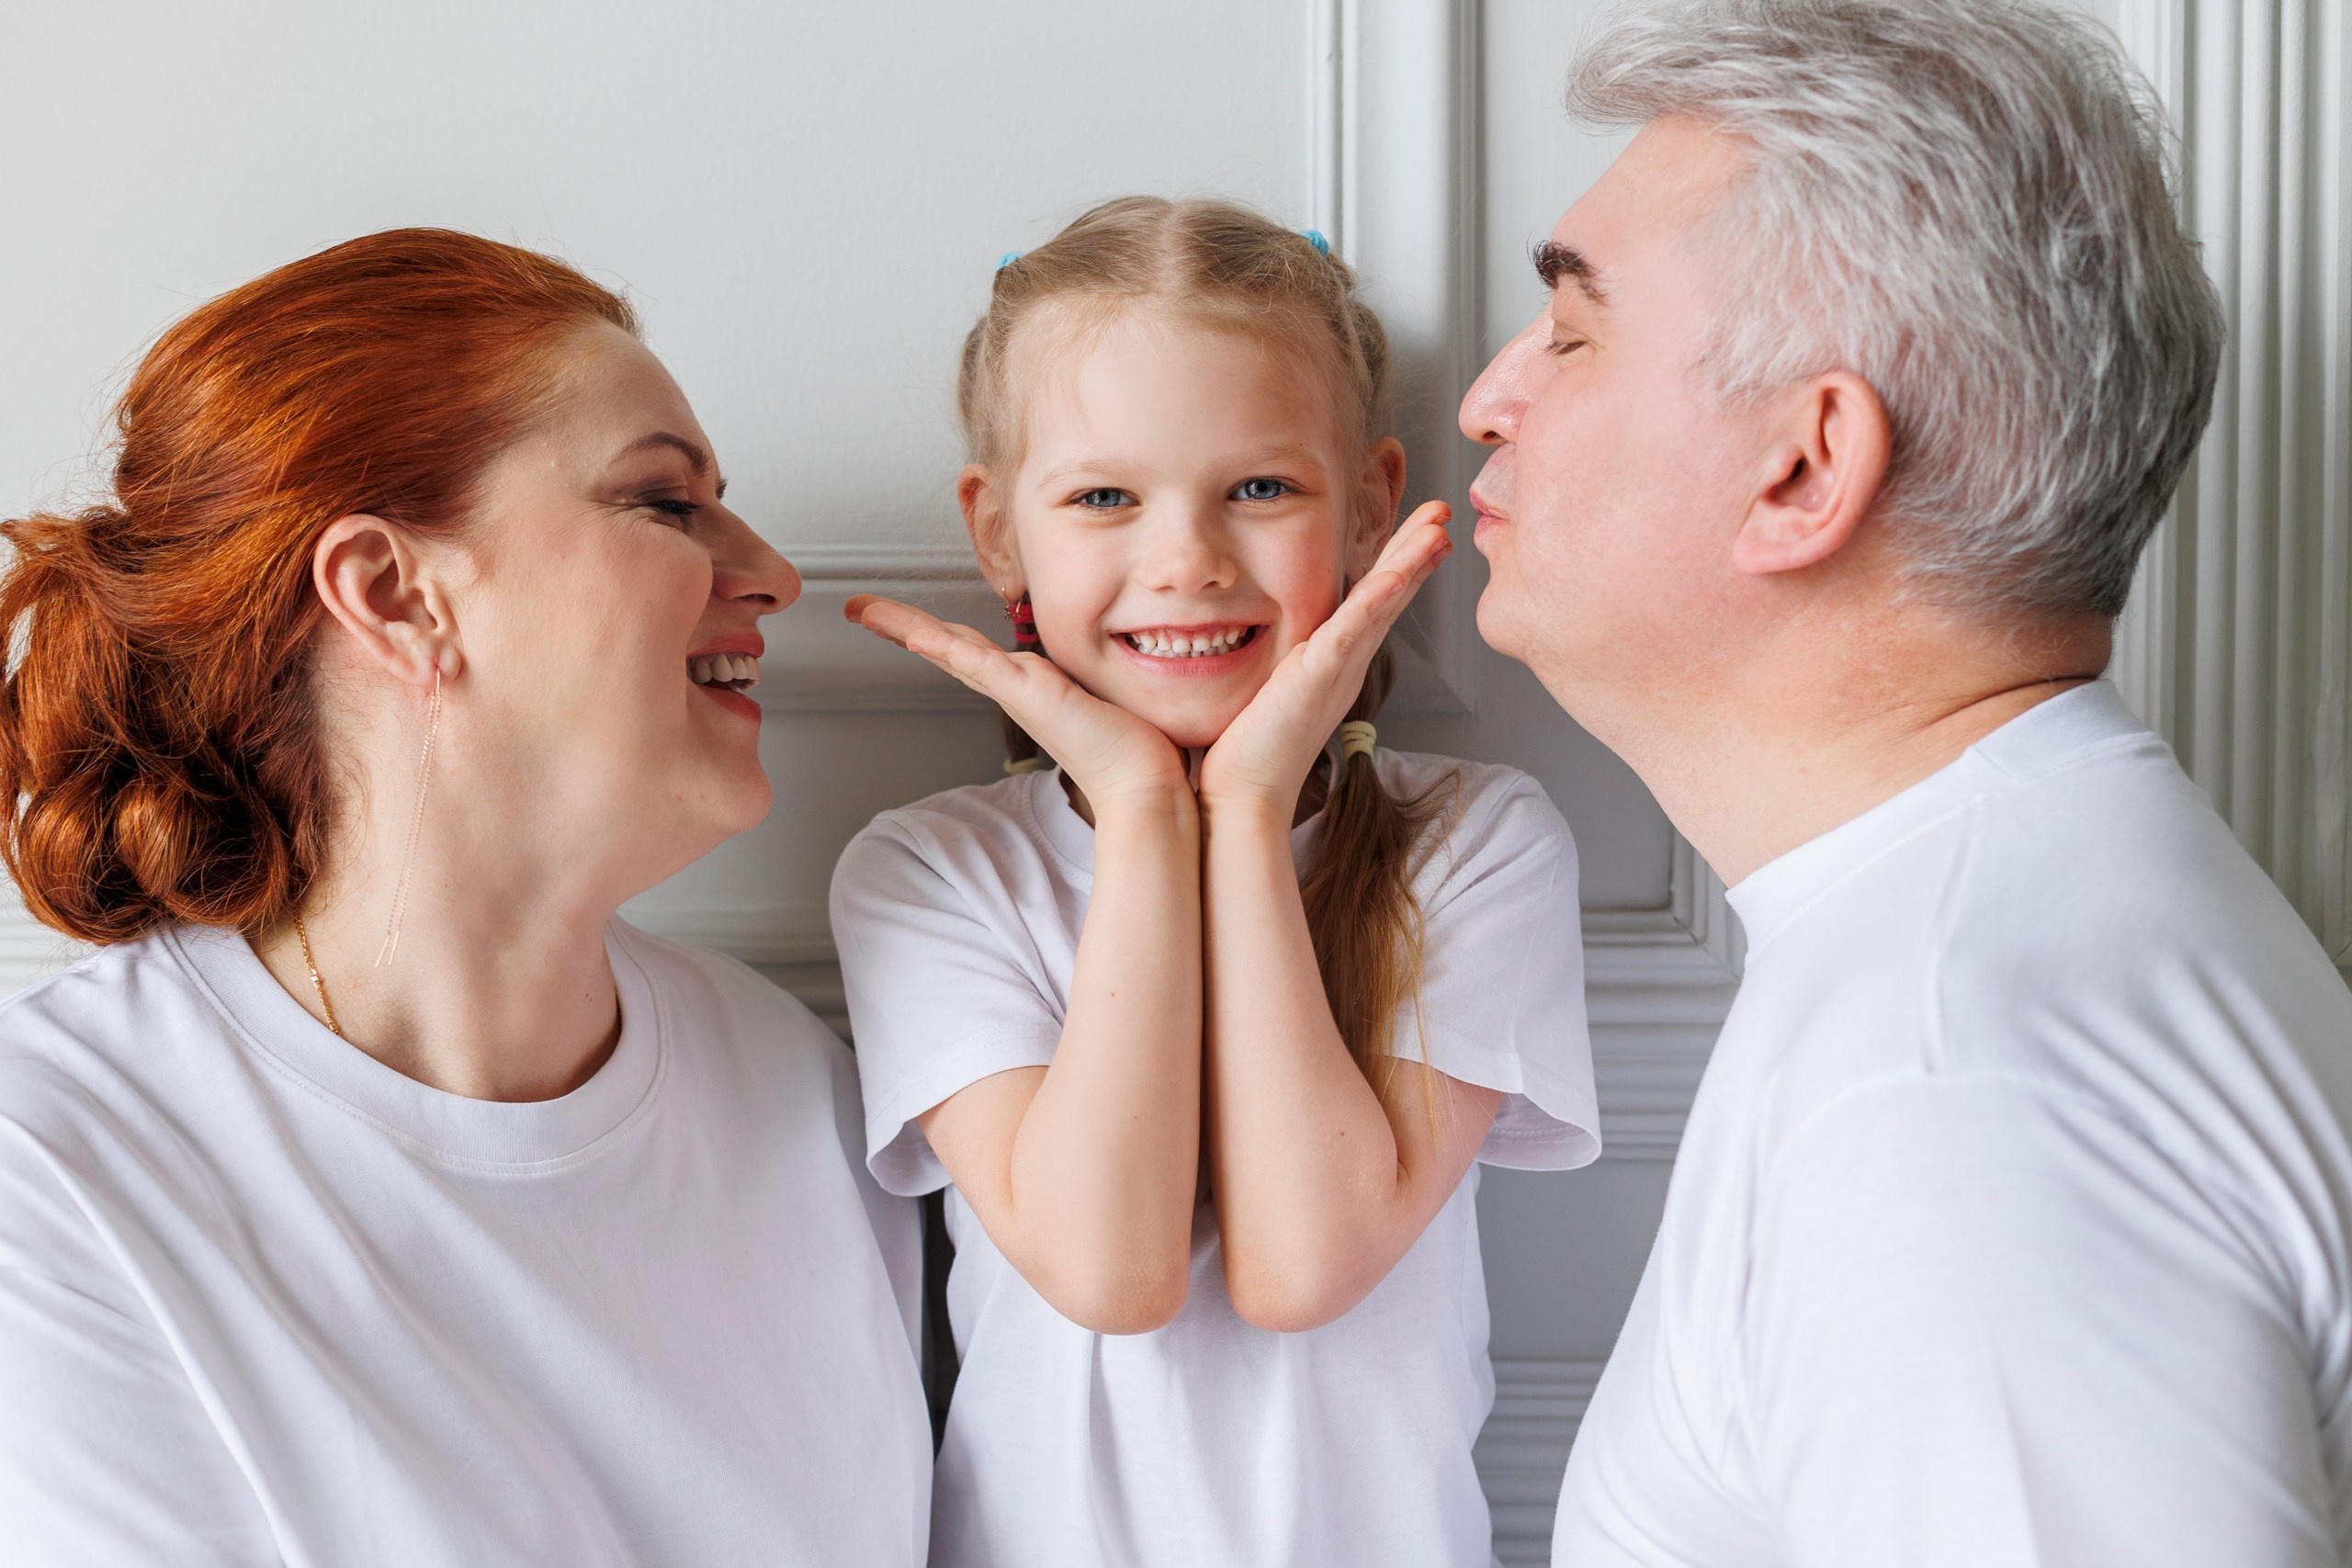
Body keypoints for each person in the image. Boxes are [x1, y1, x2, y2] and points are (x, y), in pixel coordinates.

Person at [1455, 0, 2352, 1562]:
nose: (1488, 396)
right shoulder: (2006, 935)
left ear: (1804, 470)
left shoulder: (1950, 1096)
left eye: (1577, 332)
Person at [0, 229, 932, 1563]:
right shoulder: (56, 1157)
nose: (773, 574)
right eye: (667, 505)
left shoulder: (800, 1092)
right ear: (391, 593)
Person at [831, 196, 1599, 1568]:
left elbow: (1304, 1268)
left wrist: (1243, 814)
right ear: (998, 531)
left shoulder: (1479, 842)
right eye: (1103, 498)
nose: (1182, 559)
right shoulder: (934, 873)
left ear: (1367, 504)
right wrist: (1138, 812)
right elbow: (1111, 1271)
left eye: (1258, 488)